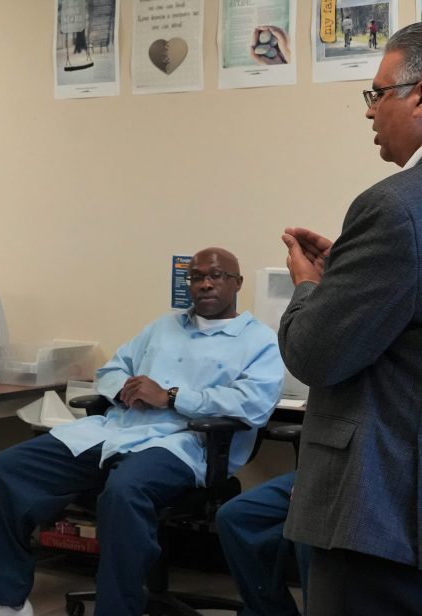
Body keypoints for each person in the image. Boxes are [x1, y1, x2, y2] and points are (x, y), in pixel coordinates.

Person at [0, 247, 285, 616]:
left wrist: (171, 397)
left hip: (181, 443)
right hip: (117, 430)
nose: (205, 284)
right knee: (7, 468)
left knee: (124, 491)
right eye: (196, 277)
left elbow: (253, 404)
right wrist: (124, 390)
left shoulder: (259, 339)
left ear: (237, 283)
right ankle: (6, 602)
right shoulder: (162, 327)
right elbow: (111, 371)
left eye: (216, 276)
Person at [278, 22, 422, 614]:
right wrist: (352, 272)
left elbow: (316, 354)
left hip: (382, 508)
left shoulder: (395, 209)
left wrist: (312, 288)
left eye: (377, 93)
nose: (368, 111)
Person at [216, 471, 311, 616]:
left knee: (308, 530)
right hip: (311, 470)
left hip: (342, 478)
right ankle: (270, 612)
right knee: (233, 516)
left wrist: (314, 484)